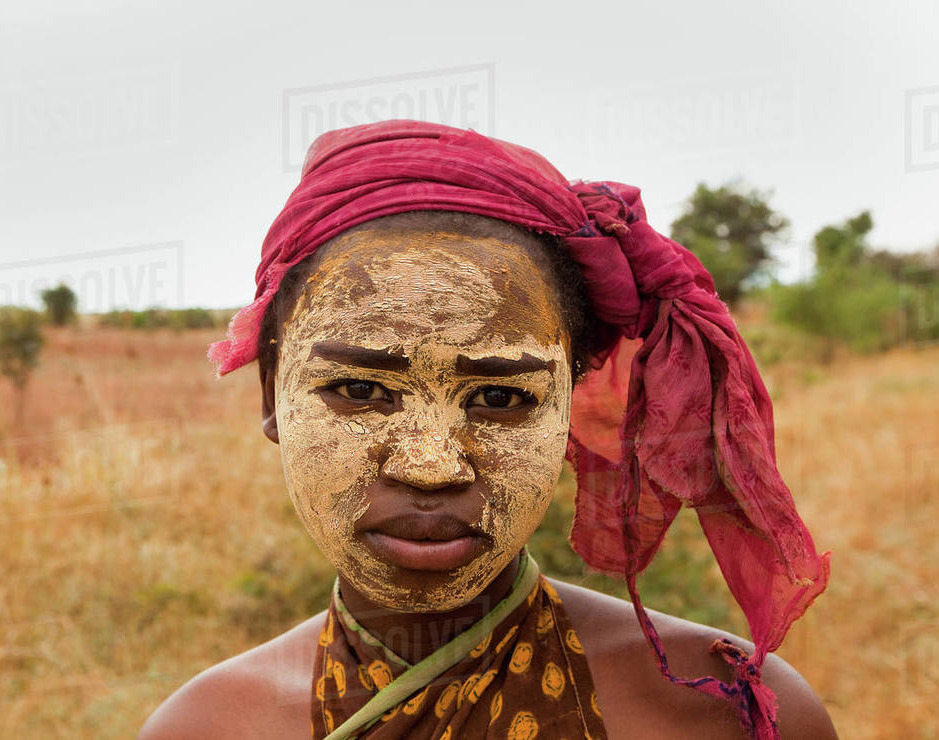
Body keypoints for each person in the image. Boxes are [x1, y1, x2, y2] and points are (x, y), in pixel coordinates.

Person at [139, 121, 835, 739]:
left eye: (500, 397)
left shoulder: (721, 717)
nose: (431, 465)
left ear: (570, 401)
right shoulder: (207, 727)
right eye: (359, 389)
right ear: (272, 395)